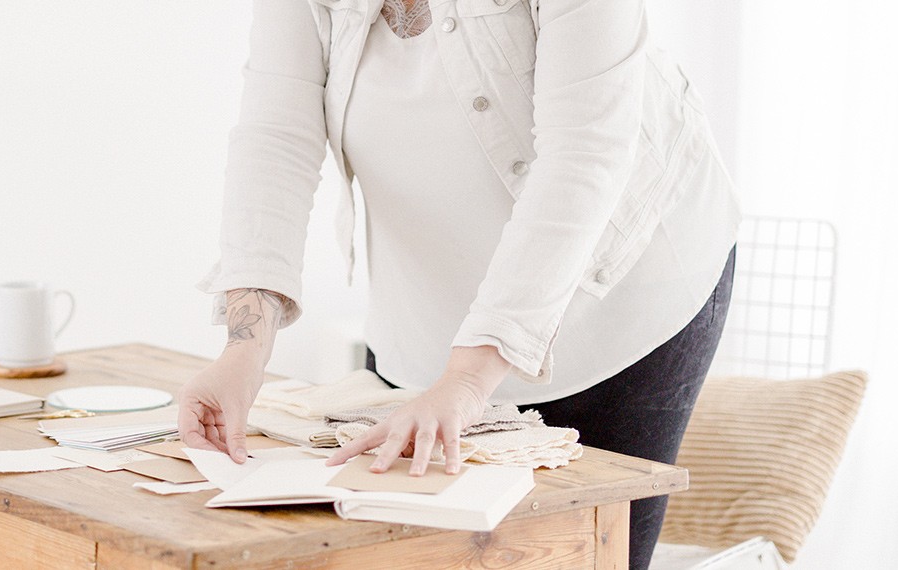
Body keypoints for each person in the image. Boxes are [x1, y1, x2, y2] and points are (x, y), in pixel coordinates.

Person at [175, 1, 741, 567]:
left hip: (621, 295)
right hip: (428, 314)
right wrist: (245, 347)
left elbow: (584, 155)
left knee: (579, 549)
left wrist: (468, 383)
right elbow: (276, 138)